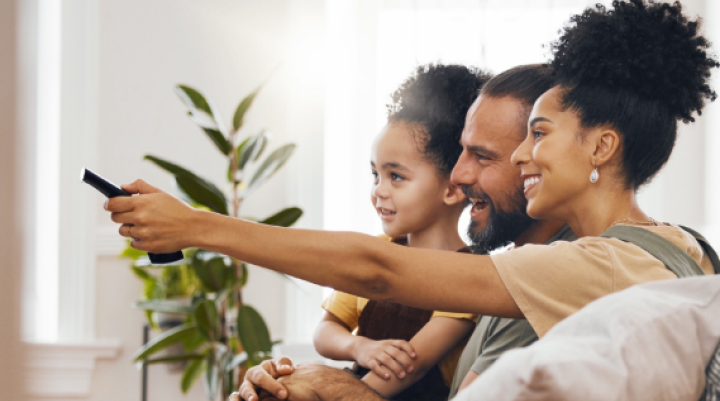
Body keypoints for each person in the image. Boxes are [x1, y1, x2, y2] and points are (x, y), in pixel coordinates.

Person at [104, 0, 718, 399]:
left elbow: (380, 270)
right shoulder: (674, 247)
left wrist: (198, 226)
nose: (525, 156)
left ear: (602, 147)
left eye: (538, 135)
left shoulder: (606, 264)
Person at [314, 64, 489, 400]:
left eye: (396, 176)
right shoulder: (372, 253)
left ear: (452, 189)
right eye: (374, 175)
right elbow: (325, 331)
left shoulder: (470, 274)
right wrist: (359, 347)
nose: (379, 190)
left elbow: (413, 365)